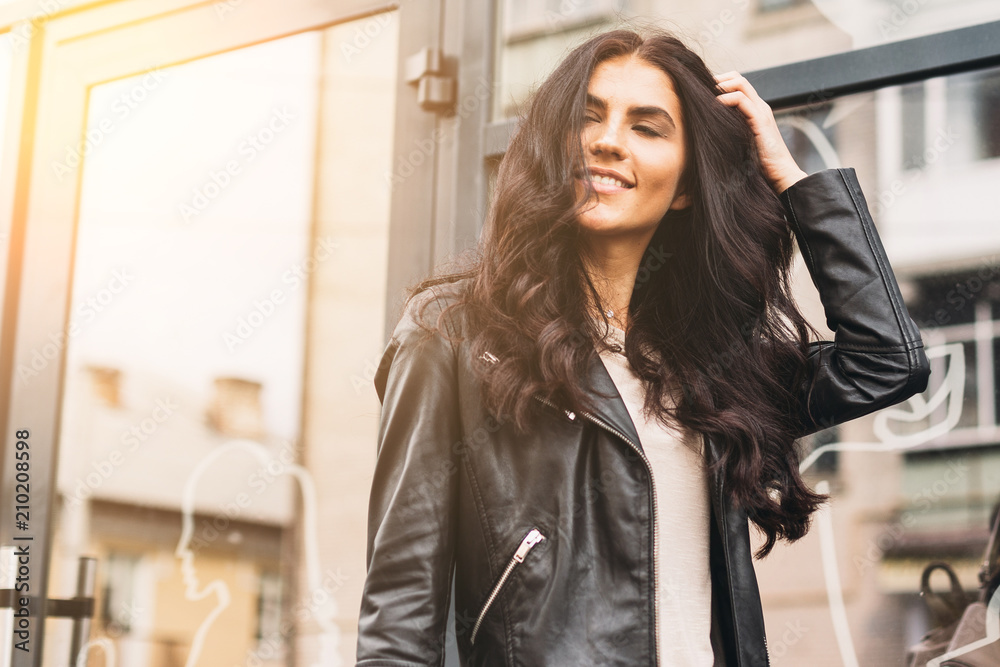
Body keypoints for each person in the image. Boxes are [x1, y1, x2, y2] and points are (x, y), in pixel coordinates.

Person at [355, 27, 930, 667]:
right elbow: (399, 621)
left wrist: (793, 180)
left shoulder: (710, 366)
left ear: (685, 187)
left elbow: (886, 362)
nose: (607, 140)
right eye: (590, 116)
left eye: (647, 128)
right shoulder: (453, 336)